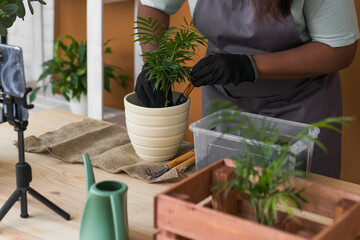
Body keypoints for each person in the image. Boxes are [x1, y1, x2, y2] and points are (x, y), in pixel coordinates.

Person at [135, 0, 359, 179]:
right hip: (223, 102)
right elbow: (152, 6)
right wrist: (153, 62)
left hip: (300, 107)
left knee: (297, 212)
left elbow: (340, 49)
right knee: (224, 197)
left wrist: (250, 66)